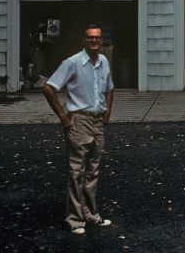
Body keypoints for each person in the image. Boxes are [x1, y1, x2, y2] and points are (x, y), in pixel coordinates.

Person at [42, 24, 115, 235]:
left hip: (97, 122)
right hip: (79, 122)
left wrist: (107, 111)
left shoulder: (103, 62)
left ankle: (91, 214)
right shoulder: (72, 63)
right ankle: (74, 219)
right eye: (90, 38)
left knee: (93, 170)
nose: (94, 41)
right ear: (83, 41)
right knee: (76, 171)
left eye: (98, 38)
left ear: (101, 41)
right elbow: (48, 88)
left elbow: (109, 88)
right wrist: (64, 118)